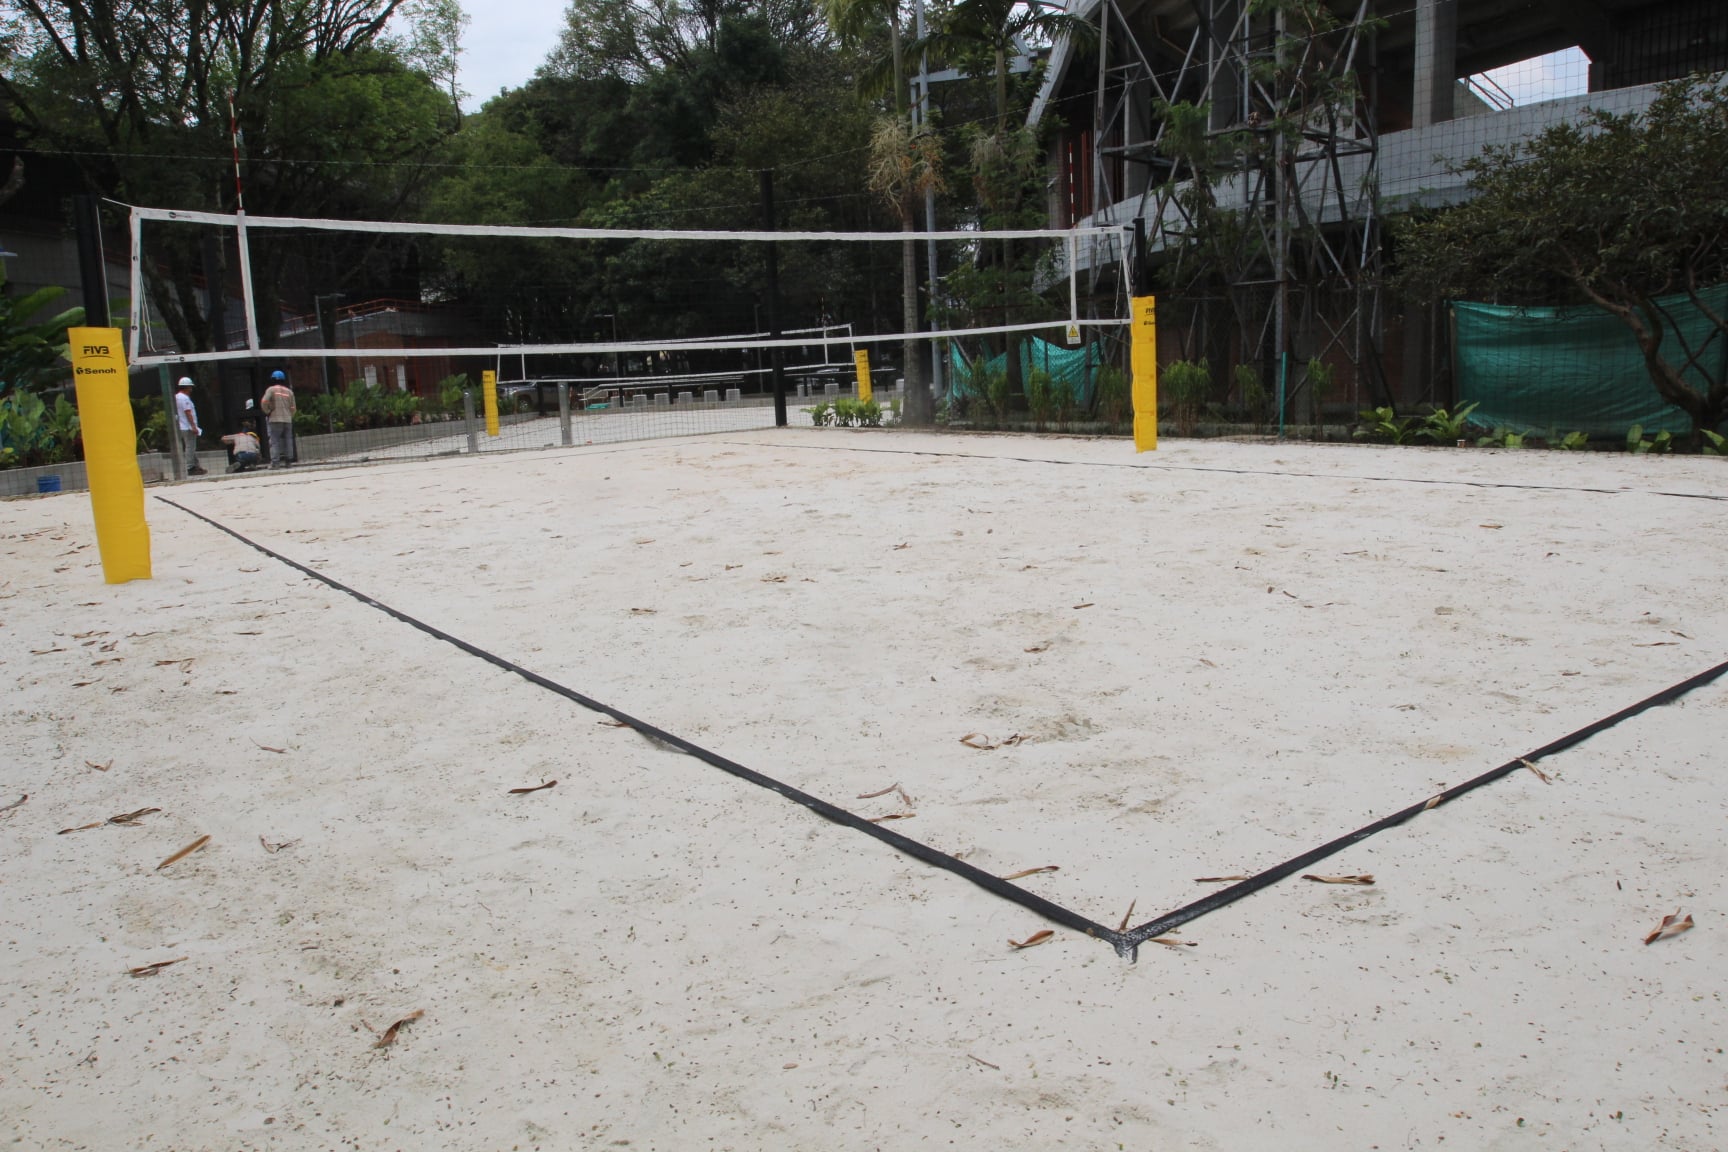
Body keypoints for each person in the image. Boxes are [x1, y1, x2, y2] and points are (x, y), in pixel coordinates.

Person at [261, 369, 297, 467]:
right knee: (288, 440)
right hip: (287, 420)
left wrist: (268, 412)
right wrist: (290, 416)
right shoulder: (289, 392)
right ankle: (289, 461)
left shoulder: (271, 390)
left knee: (274, 440)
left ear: (273, 379)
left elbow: (264, 402)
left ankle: (275, 463)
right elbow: (293, 408)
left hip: (275, 419)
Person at [174, 377, 206, 475]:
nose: (191, 389)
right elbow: (188, 412)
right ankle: (190, 467)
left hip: (182, 426)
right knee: (190, 447)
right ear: (187, 387)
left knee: (190, 447)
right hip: (187, 427)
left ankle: (196, 465)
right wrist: (193, 426)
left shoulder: (177, 397)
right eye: (190, 387)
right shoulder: (184, 398)